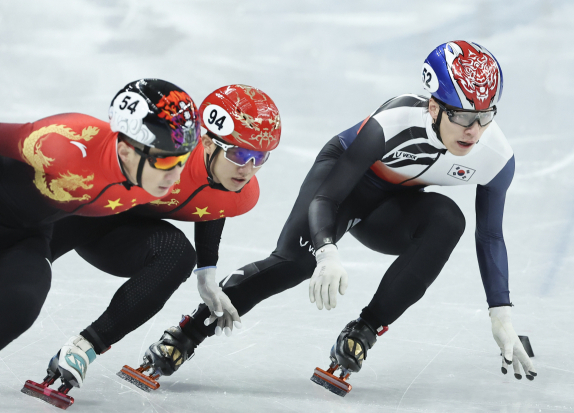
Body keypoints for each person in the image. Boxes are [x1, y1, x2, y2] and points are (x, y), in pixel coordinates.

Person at [140, 40, 537, 396]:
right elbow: (328, 197)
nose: (474, 130)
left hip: (391, 212)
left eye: (485, 116)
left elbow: (490, 237)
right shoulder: (393, 122)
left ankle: (363, 331)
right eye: (463, 118)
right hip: (345, 187)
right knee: (294, 263)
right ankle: (189, 332)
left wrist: (500, 313)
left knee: (449, 220)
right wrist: (327, 252)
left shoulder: (496, 157)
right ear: (434, 107)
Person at [12, 84, 282, 407]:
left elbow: (214, 200)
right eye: (238, 153)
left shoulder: (242, 191)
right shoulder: (168, 153)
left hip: (117, 234)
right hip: (80, 209)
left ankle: (85, 347)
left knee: (178, 255)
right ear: (207, 143)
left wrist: (207, 271)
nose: (248, 168)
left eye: (260, 157)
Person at [0, 79, 200, 388]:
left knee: (17, 309)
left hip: (26, 234)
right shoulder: (65, 142)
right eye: (167, 159)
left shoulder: (157, 180)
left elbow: (214, 196)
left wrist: (207, 267)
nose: (177, 173)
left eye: (183, 159)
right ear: (126, 151)